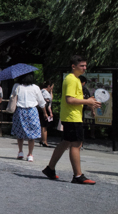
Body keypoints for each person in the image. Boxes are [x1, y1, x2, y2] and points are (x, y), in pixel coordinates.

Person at [43, 55, 99, 184]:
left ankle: (50, 168)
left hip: (71, 116)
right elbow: (69, 99)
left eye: (85, 65)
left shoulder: (75, 79)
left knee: (66, 142)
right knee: (76, 144)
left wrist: (89, 102)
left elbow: (75, 98)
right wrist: (87, 101)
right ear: (73, 66)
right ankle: (78, 175)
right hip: (72, 117)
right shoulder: (72, 79)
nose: (84, 68)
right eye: (82, 66)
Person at [10, 73, 48, 162]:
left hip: (20, 111)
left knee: (20, 132)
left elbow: (12, 97)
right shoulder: (35, 87)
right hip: (32, 111)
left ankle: (20, 151)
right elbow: (41, 102)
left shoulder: (17, 86)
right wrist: (45, 112)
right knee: (32, 134)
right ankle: (30, 154)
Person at [39, 83, 54, 148]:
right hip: (45, 110)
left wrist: (51, 91)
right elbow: (47, 103)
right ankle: (44, 141)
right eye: (51, 87)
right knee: (44, 126)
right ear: (48, 86)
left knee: (42, 125)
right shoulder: (45, 93)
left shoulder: (41, 91)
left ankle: (42, 140)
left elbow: (51, 99)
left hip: (41, 109)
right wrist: (49, 112)